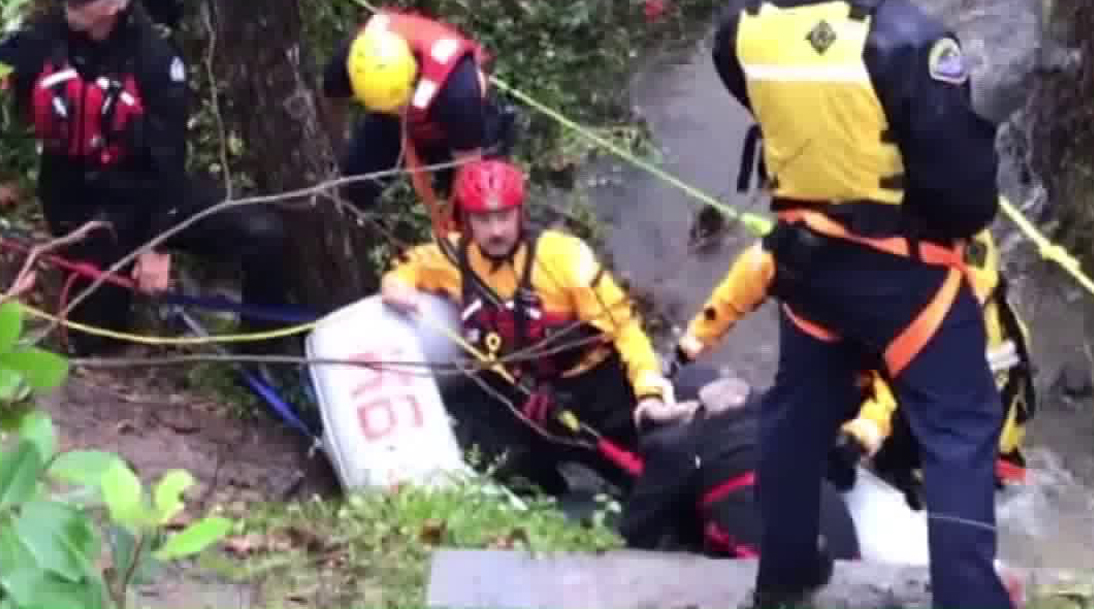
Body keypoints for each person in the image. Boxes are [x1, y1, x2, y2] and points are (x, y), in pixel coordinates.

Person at [711, 0, 1015, 609]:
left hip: (805, 262)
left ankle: (782, 572)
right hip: (902, 273)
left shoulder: (744, 29)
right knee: (960, 424)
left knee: (796, 407)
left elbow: (750, 90)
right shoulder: (908, 39)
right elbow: (962, 193)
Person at [0, 0, 294, 356]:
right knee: (95, 339)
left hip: (145, 195)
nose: (69, 5)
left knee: (264, 234)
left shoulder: (153, 59)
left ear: (115, 5)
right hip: (82, 205)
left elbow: (168, 159)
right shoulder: (52, 34)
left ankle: (261, 358)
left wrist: (157, 245)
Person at [380, 157, 682, 496]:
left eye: (504, 217)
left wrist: (649, 393)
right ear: (467, 220)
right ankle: (553, 510)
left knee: (643, 477)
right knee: (515, 464)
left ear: (519, 212)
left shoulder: (563, 257)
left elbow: (625, 329)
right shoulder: (453, 257)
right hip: (527, 392)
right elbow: (410, 266)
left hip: (594, 386)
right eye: (483, 219)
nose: (495, 231)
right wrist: (396, 282)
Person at [673, 232, 1036, 506]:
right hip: (953, 392)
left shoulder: (912, 277)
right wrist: (694, 342)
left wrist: (857, 439)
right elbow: (759, 266)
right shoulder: (867, 230)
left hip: (953, 418)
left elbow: (897, 375)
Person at [619, 361, 860, 561]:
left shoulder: (679, 446)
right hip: (851, 561)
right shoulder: (782, 422)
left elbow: (634, 536)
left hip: (778, 575)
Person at [322, 9, 518, 218]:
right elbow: (333, 101)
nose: (397, 110)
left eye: (398, 105)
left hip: (451, 124)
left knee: (482, 200)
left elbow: (468, 167)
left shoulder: (459, 92)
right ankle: (346, 220)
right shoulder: (354, 60)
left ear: (413, 77)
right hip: (390, 120)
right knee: (353, 182)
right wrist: (336, 149)